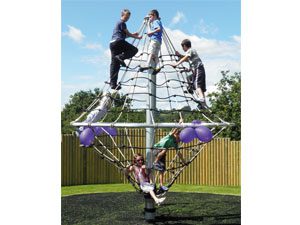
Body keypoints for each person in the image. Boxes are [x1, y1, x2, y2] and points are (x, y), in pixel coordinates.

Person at [109, 9, 142, 90]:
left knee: (115, 64)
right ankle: (121, 57)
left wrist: (132, 35)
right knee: (134, 50)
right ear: (122, 15)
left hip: (113, 44)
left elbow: (125, 35)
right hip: (118, 42)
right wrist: (137, 37)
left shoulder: (118, 24)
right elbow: (127, 33)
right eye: (126, 17)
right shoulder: (122, 23)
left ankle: (113, 84)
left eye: (128, 17)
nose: (127, 18)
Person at [171, 39, 208, 109]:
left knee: (197, 85)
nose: (182, 49)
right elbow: (188, 60)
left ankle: (201, 99)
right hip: (197, 70)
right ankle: (203, 104)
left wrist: (177, 64)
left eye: (183, 47)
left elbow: (186, 57)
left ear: (185, 45)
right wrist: (179, 56)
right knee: (198, 86)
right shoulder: (190, 54)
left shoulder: (190, 50)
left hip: (198, 70)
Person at [152, 121, 187, 193]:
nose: (180, 140)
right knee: (165, 149)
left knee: (162, 169)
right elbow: (174, 130)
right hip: (156, 149)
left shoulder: (175, 143)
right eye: (179, 138)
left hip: (162, 153)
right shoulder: (170, 136)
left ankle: (161, 185)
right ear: (176, 135)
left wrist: (184, 162)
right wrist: (179, 124)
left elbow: (179, 153)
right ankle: (155, 162)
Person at [139, 9, 163, 75]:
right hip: (158, 41)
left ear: (154, 15)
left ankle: (147, 64)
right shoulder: (157, 21)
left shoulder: (156, 21)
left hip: (154, 40)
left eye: (150, 16)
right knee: (155, 55)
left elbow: (158, 29)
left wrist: (151, 32)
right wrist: (148, 23)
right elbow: (150, 32)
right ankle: (158, 66)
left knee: (150, 53)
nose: (149, 18)